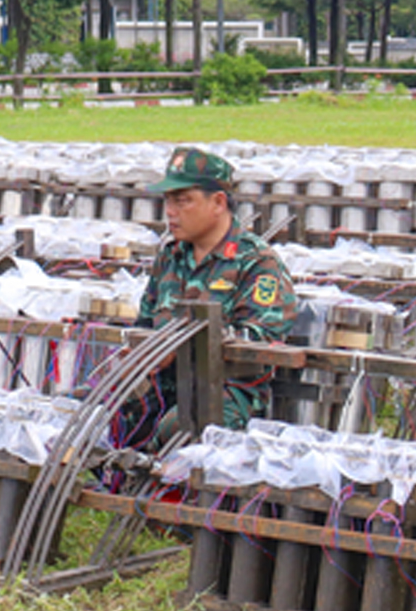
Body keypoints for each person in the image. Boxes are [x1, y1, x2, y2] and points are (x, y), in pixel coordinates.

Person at [120, 147, 297, 447]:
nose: (171, 212)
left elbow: (261, 337)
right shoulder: (170, 257)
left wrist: (182, 345)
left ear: (218, 202)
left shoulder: (256, 263)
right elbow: (146, 323)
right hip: (165, 386)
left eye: (182, 201)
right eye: (168, 201)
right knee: (86, 408)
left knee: (178, 428)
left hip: (226, 392)